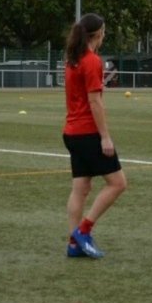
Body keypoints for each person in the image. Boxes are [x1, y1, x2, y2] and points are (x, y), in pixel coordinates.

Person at [63, 13, 127, 259]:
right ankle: (83, 231)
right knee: (118, 183)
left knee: (80, 188)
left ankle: (72, 243)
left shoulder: (73, 60)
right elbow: (94, 101)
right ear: (98, 34)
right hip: (88, 133)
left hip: (71, 132)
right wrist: (105, 137)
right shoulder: (91, 61)